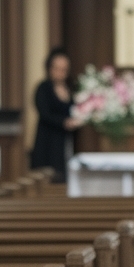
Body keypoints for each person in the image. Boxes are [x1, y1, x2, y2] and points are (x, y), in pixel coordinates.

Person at [30, 48, 81, 182]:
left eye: (64, 69)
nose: (60, 73)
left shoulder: (72, 88)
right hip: (48, 141)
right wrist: (64, 122)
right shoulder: (43, 88)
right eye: (57, 68)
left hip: (67, 141)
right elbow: (45, 113)